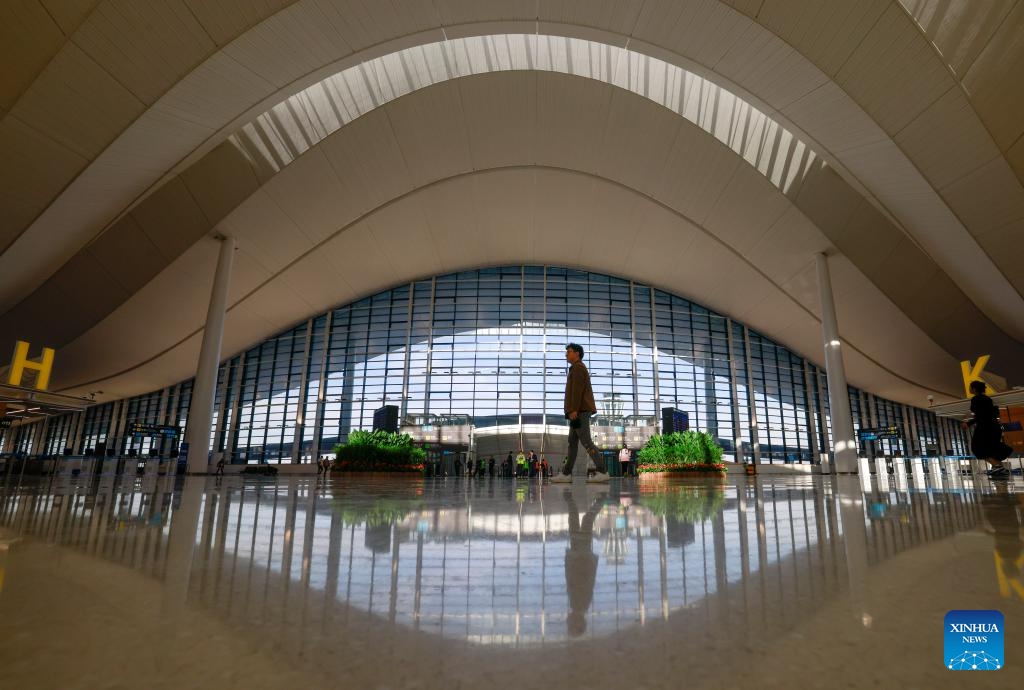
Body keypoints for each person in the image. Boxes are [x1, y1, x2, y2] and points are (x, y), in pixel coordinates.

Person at [552, 343, 610, 483]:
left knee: (586, 441)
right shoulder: (576, 368)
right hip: (578, 410)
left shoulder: (578, 368)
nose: (566, 354)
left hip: (580, 411)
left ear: (577, 353)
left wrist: (573, 410)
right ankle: (566, 474)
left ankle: (602, 471)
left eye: (569, 351)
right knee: (572, 442)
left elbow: (577, 392)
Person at [563, 488, 603, 638]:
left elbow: (576, 580)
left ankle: (574, 502)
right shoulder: (579, 604)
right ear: (578, 622)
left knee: (580, 522)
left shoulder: (580, 605)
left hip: (579, 556)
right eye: (570, 624)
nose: (567, 621)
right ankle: (598, 502)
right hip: (580, 556)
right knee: (584, 521)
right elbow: (580, 579)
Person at [962, 380, 1011, 479]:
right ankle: (997, 467)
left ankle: (997, 466)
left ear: (974, 389)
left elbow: (981, 415)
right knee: (990, 447)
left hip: (985, 427)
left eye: (970, 387)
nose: (969, 389)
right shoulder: (988, 399)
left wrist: (968, 423)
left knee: (977, 448)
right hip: (994, 427)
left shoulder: (976, 399)